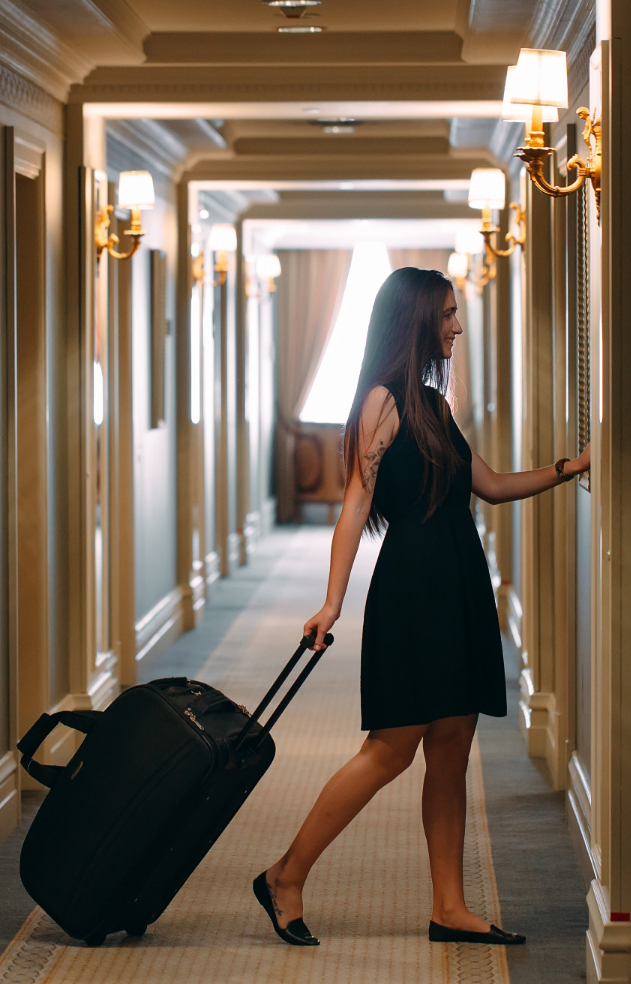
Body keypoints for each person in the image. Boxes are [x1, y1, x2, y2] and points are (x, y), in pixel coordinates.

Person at [252, 266, 590, 947]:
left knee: (451, 749)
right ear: (415, 322)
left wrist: (570, 467)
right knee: (390, 751)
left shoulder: (434, 406)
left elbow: (487, 484)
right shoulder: (381, 400)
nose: (457, 327)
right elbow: (355, 500)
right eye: (446, 316)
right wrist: (331, 602)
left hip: (459, 585)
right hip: (411, 591)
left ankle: (449, 906)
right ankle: (285, 875)